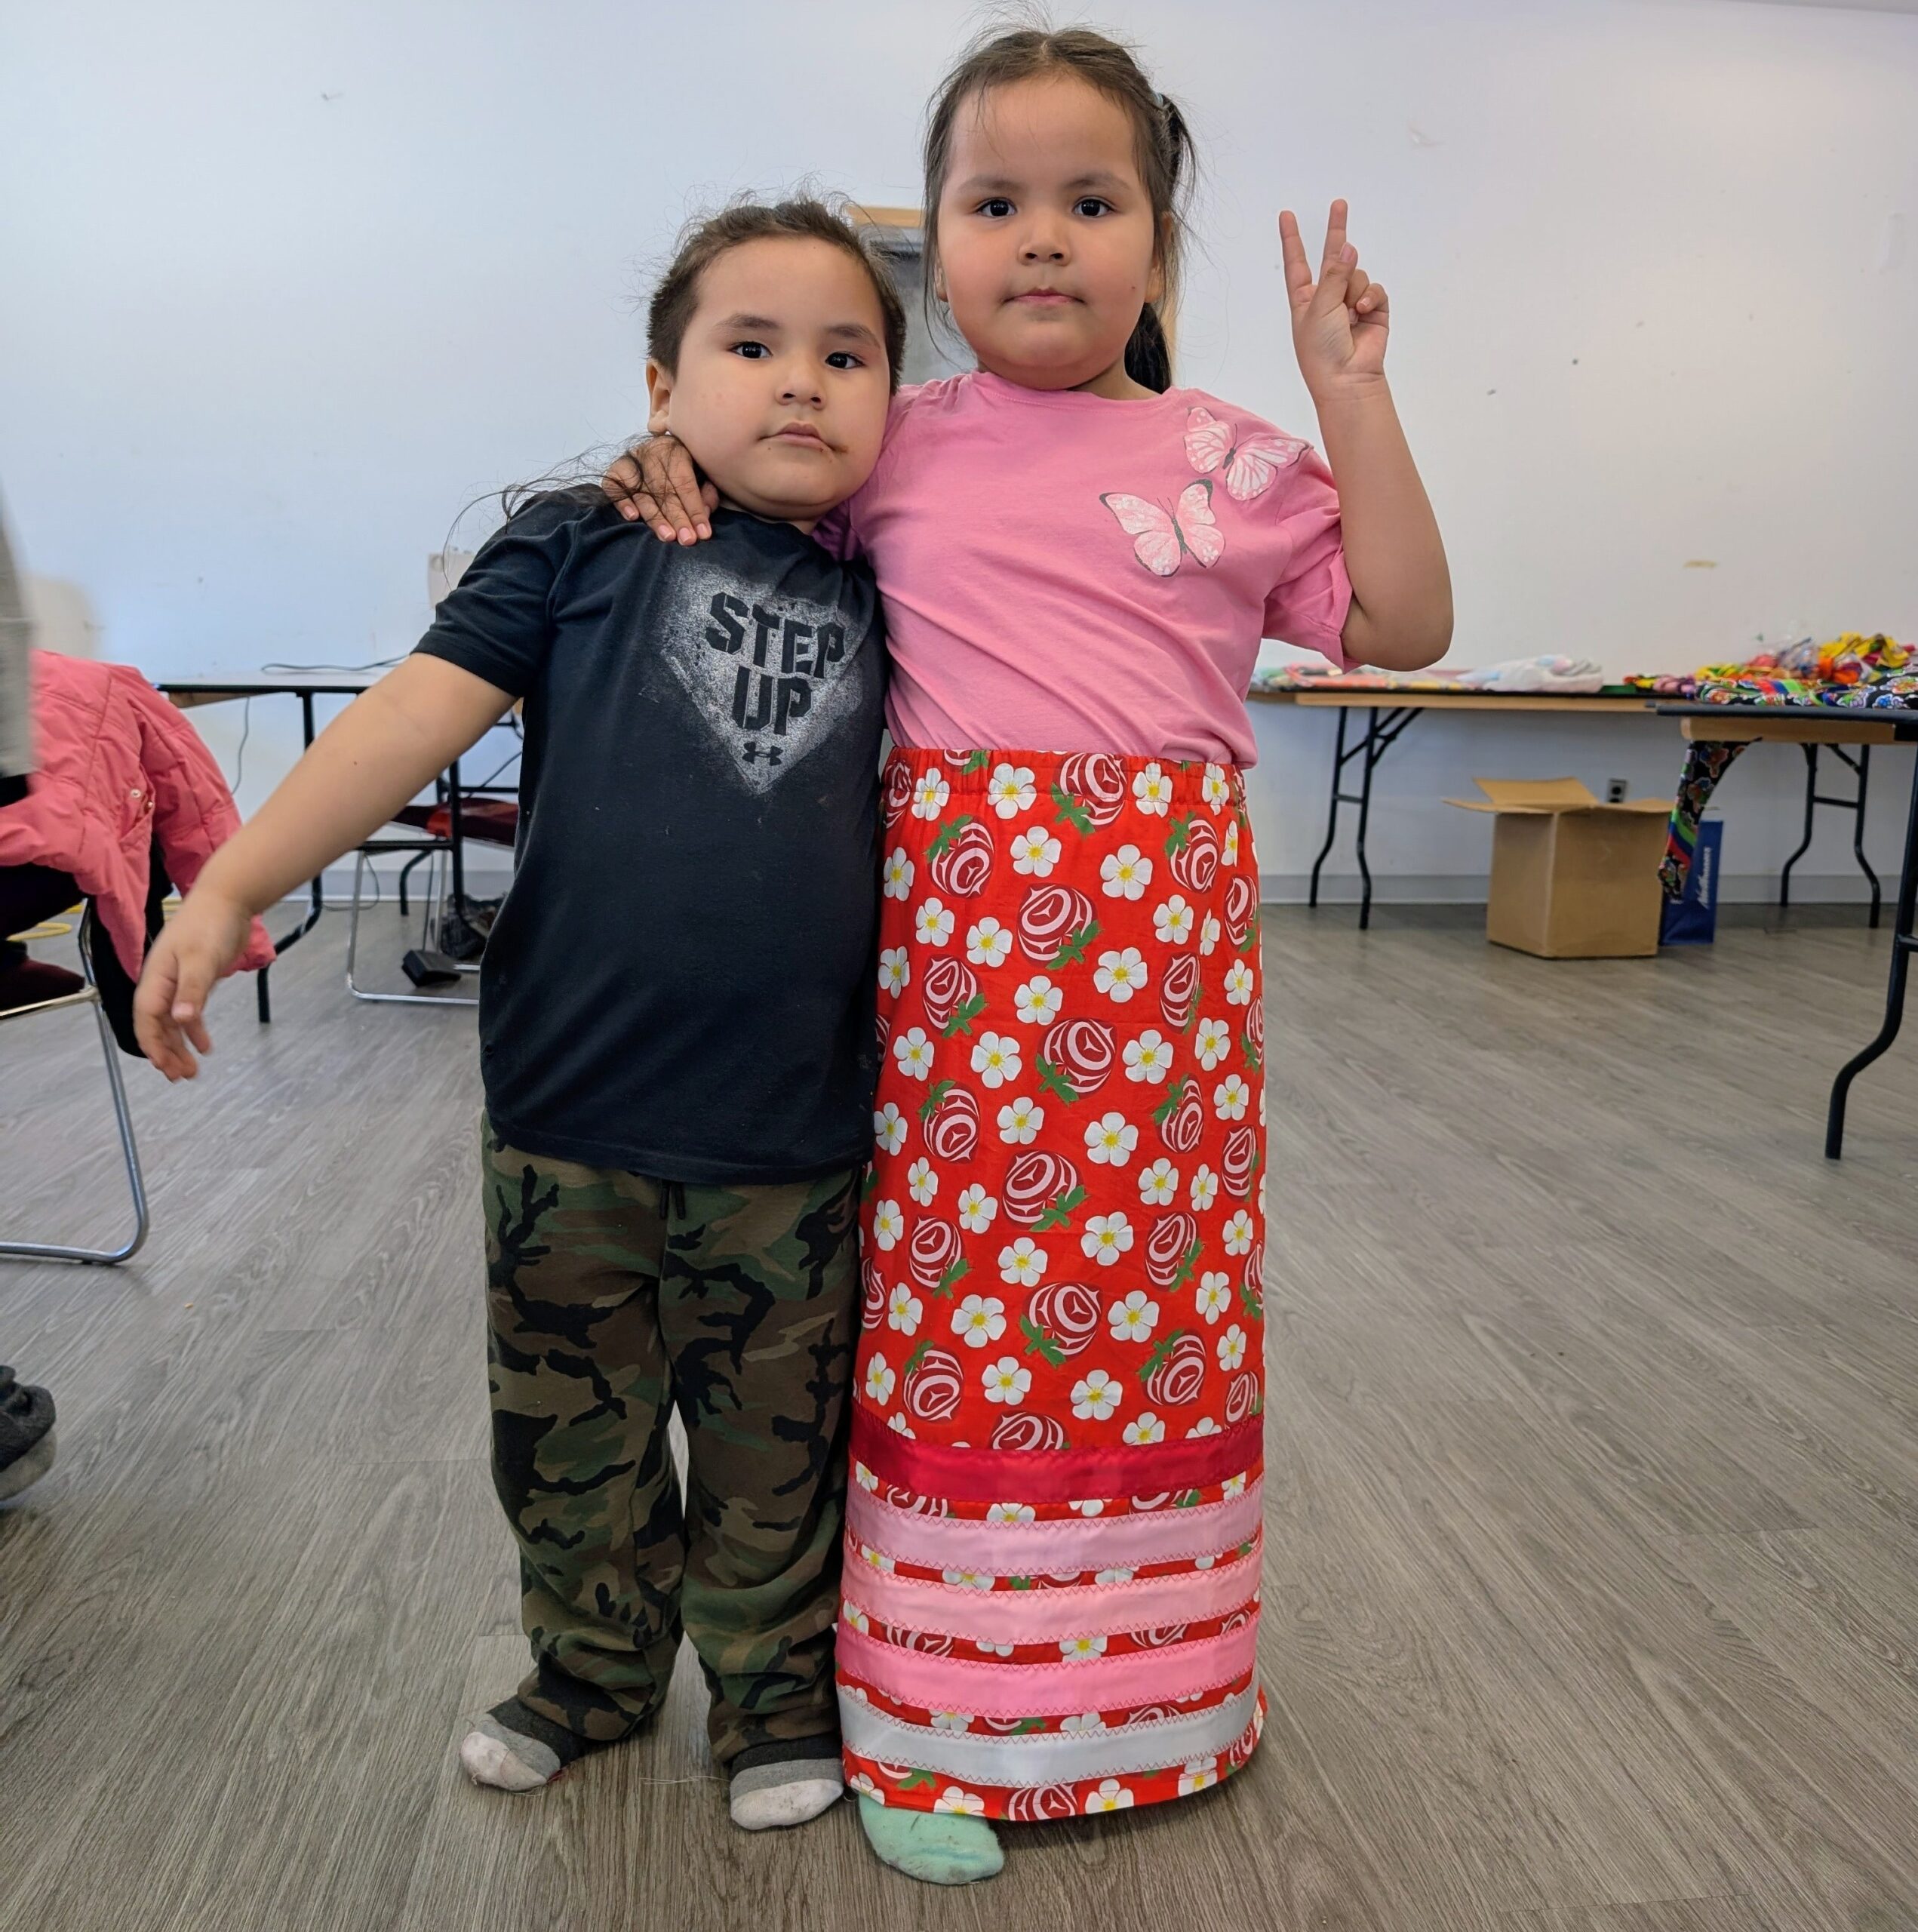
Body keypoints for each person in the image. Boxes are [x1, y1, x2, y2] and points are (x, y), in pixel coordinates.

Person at [604, 25, 1452, 1886]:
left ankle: (1160, 1695)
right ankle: (940, 1716)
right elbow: (737, 472)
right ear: (940, 237)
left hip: (1163, 983)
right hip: (954, 969)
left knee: (1156, 1309)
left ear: (1157, 235)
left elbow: (1399, 619)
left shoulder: (1234, 460)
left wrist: (1348, 393)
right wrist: (657, 448)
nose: (1044, 240)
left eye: (1093, 200)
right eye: (996, 203)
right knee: (950, 1320)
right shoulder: (894, 446)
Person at [132, 199, 906, 1832]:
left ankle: (772, 1693)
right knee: (573, 1431)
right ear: (659, 386)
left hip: (792, 1132)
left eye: (847, 355)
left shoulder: (903, 579)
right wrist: (226, 881)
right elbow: (407, 720)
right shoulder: (578, 542)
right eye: (749, 346)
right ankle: (590, 1672)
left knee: (778, 1448)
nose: (799, 385)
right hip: (568, 1116)